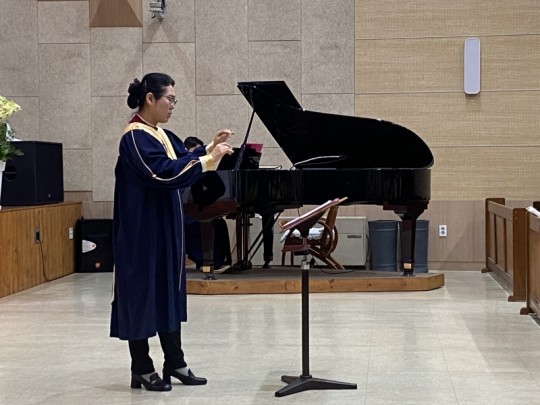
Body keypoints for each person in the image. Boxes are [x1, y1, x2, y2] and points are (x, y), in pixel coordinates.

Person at [110, 72, 233, 392]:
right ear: (150, 98)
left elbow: (182, 158)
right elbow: (162, 173)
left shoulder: (160, 134)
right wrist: (207, 160)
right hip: (141, 233)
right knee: (141, 294)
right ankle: (141, 367)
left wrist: (210, 147)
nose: (173, 105)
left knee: (167, 290)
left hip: (162, 228)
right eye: (170, 99)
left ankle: (174, 362)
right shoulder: (134, 138)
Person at [183, 136, 232, 271]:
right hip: (183, 213)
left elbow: (217, 189)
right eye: (195, 151)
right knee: (198, 225)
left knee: (218, 223)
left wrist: (204, 204)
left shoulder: (202, 169)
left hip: (194, 209)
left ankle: (220, 261)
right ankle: (207, 262)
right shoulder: (184, 165)